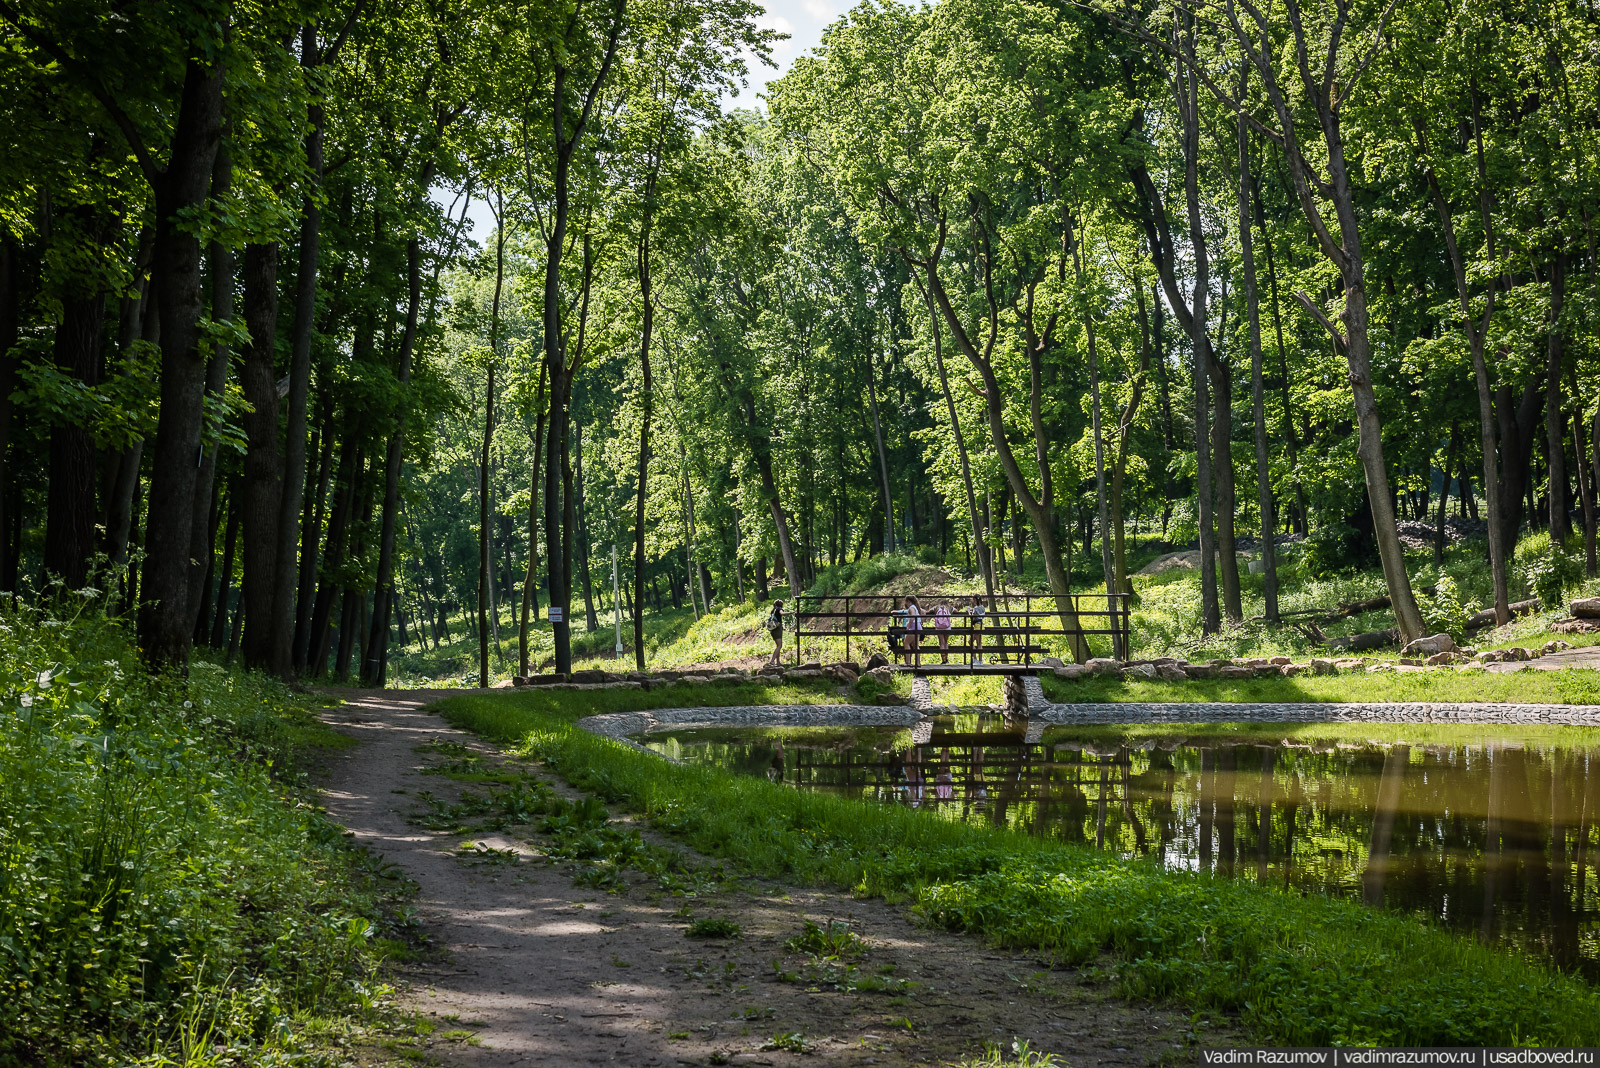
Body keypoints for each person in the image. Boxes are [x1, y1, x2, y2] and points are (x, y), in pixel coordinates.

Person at [966, 594, 986, 665]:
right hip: (981, 625)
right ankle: (977, 660)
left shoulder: (976, 608)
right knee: (975, 642)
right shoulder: (982, 607)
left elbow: (973, 617)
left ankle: (977, 660)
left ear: (975, 600)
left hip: (977, 625)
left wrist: (969, 611)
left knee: (976, 643)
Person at [765, 598, 786, 666]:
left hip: (773, 629)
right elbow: (782, 613)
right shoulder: (779, 609)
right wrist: (791, 612)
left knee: (778, 646)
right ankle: (772, 661)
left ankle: (778, 662)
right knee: (779, 646)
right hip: (777, 629)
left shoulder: (773, 610)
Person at [904, 596, 923, 667]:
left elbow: (912, 616)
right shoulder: (916, 607)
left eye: (906, 602)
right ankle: (918, 662)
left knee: (906, 643)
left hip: (913, 626)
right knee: (916, 645)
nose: (905, 603)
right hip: (918, 626)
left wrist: (908, 625)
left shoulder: (911, 608)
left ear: (909, 601)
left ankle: (908, 662)